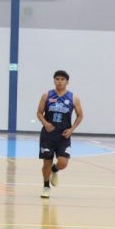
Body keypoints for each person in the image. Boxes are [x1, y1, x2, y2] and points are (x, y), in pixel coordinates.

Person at [37, 70, 85, 199]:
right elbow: (39, 113)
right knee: (47, 162)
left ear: (67, 82)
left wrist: (71, 130)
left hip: (63, 135)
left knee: (63, 163)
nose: (59, 81)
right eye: (57, 79)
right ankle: (46, 187)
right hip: (48, 135)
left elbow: (80, 115)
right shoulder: (46, 95)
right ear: (54, 80)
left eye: (62, 79)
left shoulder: (73, 98)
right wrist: (45, 123)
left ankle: (55, 170)